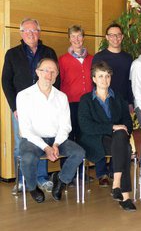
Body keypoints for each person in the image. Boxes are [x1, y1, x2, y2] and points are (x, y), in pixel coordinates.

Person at [17, 58, 85, 203]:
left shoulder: (61, 97)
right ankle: (32, 187)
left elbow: (66, 126)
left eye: (53, 71)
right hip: (32, 140)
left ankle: (60, 180)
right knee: (28, 158)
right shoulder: (23, 96)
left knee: (79, 152)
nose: (49, 74)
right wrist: (46, 147)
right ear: (37, 72)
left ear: (57, 75)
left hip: (56, 139)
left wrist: (55, 144)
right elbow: (26, 129)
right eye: (45, 70)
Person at [1, 18, 57, 195]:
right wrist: (14, 107)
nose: (31, 34)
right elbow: (6, 81)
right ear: (21, 33)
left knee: (42, 142)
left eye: (34, 31)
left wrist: (53, 102)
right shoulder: (12, 54)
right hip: (21, 108)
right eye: (27, 31)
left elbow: (56, 77)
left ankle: (41, 178)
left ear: (39, 33)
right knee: (21, 144)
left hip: (45, 106)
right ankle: (22, 180)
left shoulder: (48, 52)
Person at [78, 61, 136, 211]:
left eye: (107, 76)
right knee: (124, 147)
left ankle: (119, 188)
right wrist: (112, 127)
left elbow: (127, 123)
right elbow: (86, 126)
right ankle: (124, 195)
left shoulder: (118, 98)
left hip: (115, 140)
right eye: (101, 76)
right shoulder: (85, 100)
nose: (105, 79)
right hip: (94, 140)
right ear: (94, 79)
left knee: (122, 138)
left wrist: (119, 130)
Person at [92, 23, 134, 187]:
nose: (115, 38)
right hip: (102, 101)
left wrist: (130, 102)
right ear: (107, 37)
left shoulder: (128, 58)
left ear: (122, 37)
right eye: (112, 35)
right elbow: (94, 80)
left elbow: (129, 82)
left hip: (121, 103)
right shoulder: (99, 56)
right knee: (101, 136)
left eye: (118, 35)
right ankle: (102, 173)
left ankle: (113, 170)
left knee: (120, 135)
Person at [59, 25, 93, 142]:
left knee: (84, 136)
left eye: (79, 36)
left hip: (88, 103)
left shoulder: (92, 59)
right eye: (73, 36)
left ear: (83, 38)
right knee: (69, 136)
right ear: (69, 39)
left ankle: (83, 160)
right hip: (70, 103)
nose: (76, 39)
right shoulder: (62, 60)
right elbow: (60, 82)